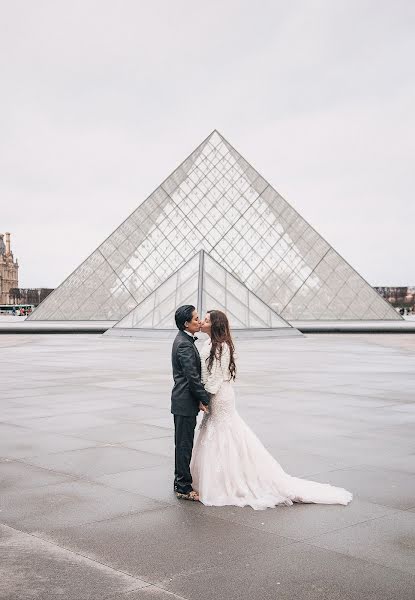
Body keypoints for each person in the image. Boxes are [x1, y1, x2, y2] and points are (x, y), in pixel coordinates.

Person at [190, 310, 352, 510]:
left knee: (225, 435)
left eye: (206, 320)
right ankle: (219, 480)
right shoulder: (207, 343)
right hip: (214, 395)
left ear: (215, 325)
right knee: (217, 434)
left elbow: (216, 377)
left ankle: (226, 483)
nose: (203, 322)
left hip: (219, 396)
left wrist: (202, 398)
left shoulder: (222, 347)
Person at [171, 305, 210, 501]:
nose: (199, 321)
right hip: (185, 401)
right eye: (195, 319)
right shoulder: (185, 344)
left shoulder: (183, 339)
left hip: (183, 401)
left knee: (183, 444)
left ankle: (181, 482)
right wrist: (205, 399)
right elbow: (192, 377)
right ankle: (183, 487)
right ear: (186, 323)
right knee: (184, 445)